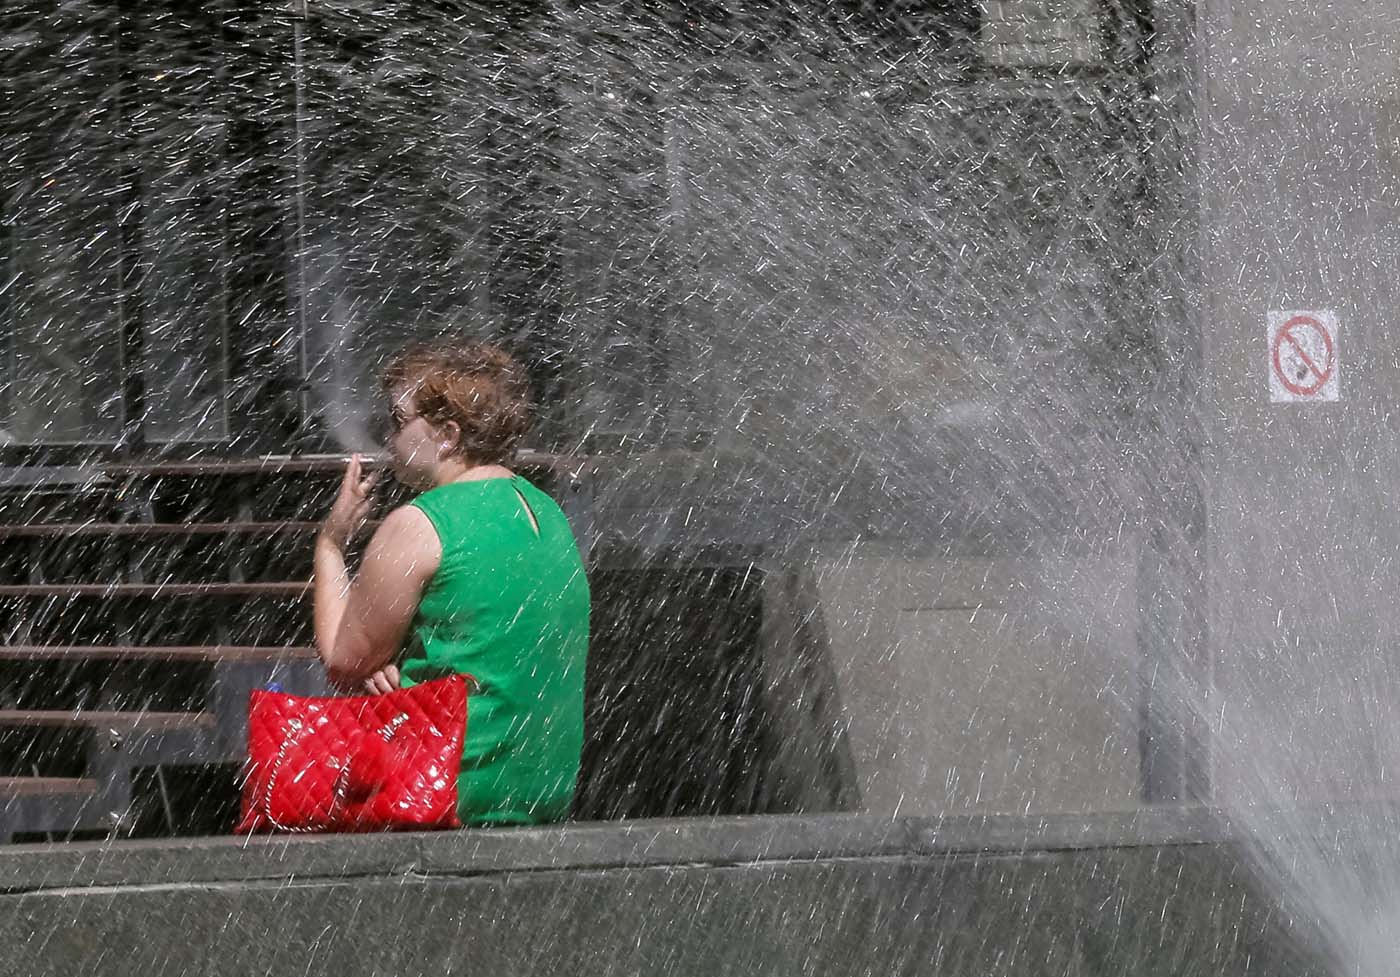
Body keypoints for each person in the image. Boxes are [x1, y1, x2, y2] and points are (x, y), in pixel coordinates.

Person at [312, 341, 590, 827]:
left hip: (447, 788)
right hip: (542, 789)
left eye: (399, 422)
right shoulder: (547, 513)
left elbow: (342, 658)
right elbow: (487, 638)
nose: (390, 438)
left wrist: (332, 544)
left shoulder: (419, 524)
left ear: (446, 435)